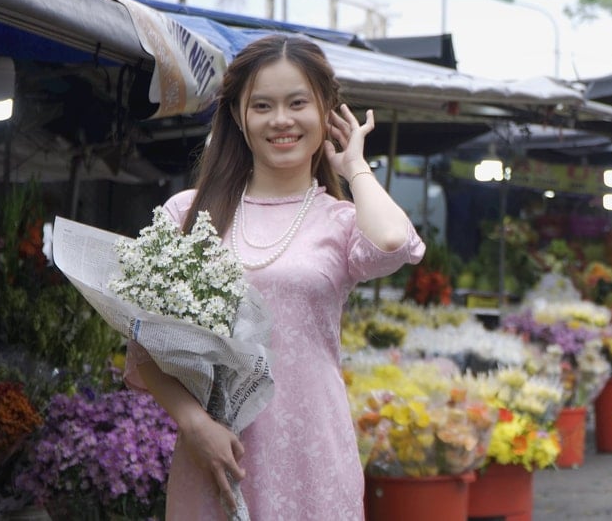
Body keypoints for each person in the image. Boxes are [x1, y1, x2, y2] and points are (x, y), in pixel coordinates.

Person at [124, 34, 424, 519]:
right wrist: (195, 426)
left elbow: (391, 242)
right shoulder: (188, 214)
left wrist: (355, 166)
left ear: (326, 111)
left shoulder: (342, 220)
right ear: (240, 117)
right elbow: (145, 346)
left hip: (314, 452)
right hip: (218, 456)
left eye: (298, 103)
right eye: (262, 105)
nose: (281, 120)